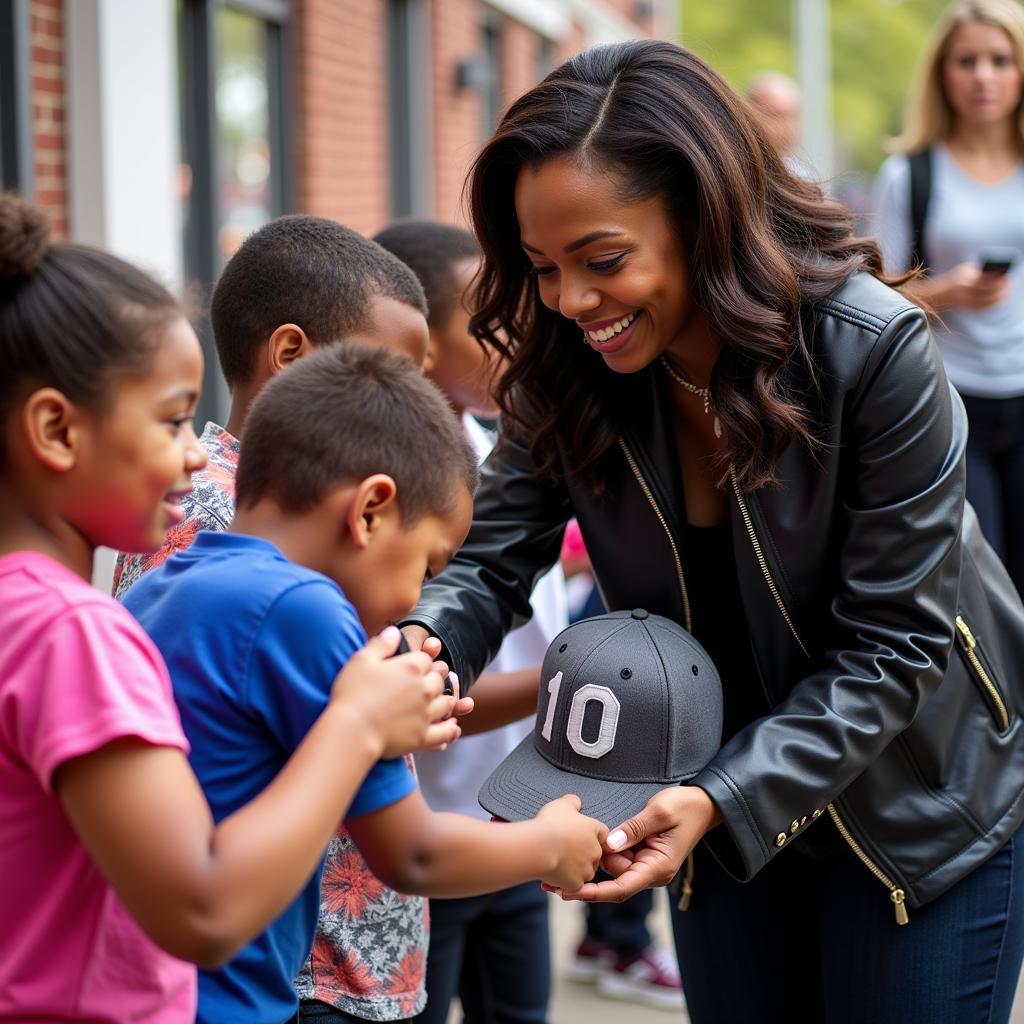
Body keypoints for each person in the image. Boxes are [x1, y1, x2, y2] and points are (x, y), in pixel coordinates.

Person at [403, 39, 1024, 1024]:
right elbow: (489, 557)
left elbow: (894, 646)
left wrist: (723, 793)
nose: (568, 301)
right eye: (542, 267)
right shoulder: (568, 362)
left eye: (602, 260)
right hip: (709, 803)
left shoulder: (873, 353)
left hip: (914, 806)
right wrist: (420, 649)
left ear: (702, 218)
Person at [0, 194, 453, 1023]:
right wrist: (355, 724)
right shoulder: (70, 633)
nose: (190, 454)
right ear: (58, 431)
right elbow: (203, 908)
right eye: (173, 419)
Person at [123, 342, 608, 1024]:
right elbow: (412, 853)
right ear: (371, 510)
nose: (421, 596)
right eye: (430, 566)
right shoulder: (307, 610)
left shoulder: (169, 586)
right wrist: (552, 843)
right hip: (234, 1000)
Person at [375, 218, 569, 1024]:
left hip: (518, 820)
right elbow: (424, 682)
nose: (515, 341)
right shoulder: (391, 492)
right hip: (435, 835)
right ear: (419, 345)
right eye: (488, 325)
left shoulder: (505, 449)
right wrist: (564, 681)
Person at [112, 214, 430, 598]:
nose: (408, 407)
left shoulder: (303, 504)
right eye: (386, 378)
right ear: (291, 354)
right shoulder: (207, 515)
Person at [871, 0, 1024, 597]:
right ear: (942, 74)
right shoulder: (908, 174)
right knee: (976, 584)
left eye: (1000, 59)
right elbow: (876, 297)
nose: (983, 76)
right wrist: (946, 292)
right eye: (967, 61)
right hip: (951, 402)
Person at [745, 70, 810, 178]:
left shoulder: (801, 176)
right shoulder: (737, 172)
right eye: (776, 115)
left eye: (794, 116)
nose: (788, 126)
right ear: (750, 116)